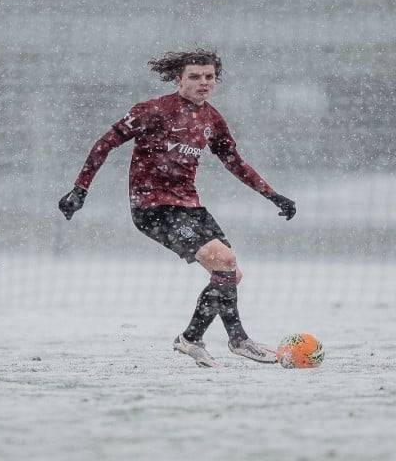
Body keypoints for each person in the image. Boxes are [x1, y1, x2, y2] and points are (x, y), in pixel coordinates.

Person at [59, 49, 296, 368]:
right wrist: (80, 188)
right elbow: (105, 143)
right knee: (224, 261)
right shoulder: (153, 110)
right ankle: (238, 339)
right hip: (152, 208)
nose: (204, 83)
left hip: (190, 207)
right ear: (178, 80)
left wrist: (273, 195)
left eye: (209, 77)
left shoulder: (212, 119)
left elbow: (234, 163)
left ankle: (191, 338)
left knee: (230, 274)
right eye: (195, 77)